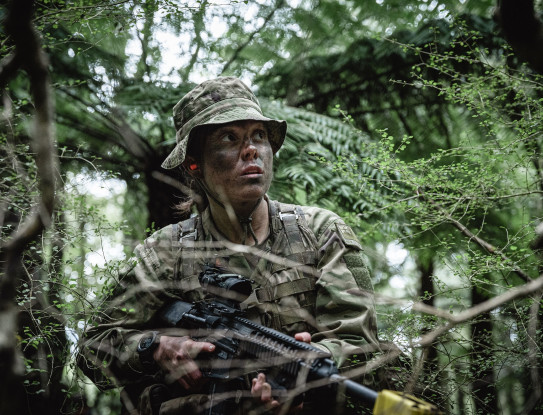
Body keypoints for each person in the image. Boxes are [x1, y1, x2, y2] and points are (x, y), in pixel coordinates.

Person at [77, 77, 380, 415]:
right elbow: (93, 350)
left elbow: (361, 347)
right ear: (194, 164)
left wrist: (315, 368)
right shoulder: (163, 254)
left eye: (259, 136)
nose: (251, 150)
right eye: (229, 138)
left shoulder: (321, 233)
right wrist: (154, 347)